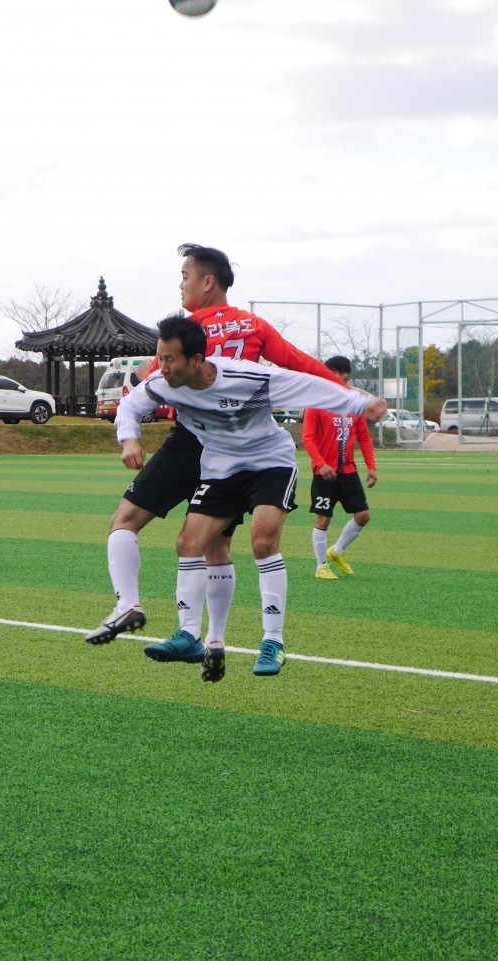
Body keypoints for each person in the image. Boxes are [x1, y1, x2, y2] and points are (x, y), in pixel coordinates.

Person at [85, 243, 360, 656]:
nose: (181, 285)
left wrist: (132, 429)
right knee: (216, 547)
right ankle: (214, 640)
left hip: (191, 441)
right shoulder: (253, 325)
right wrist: (352, 397)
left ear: (207, 282)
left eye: (185, 276)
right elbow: (300, 364)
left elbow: (153, 378)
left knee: (126, 520)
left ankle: (132, 606)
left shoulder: (186, 330)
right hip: (238, 448)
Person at [115, 315, 386, 681]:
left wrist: (358, 402)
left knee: (262, 542)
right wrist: (129, 438)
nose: (161, 367)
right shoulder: (163, 384)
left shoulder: (247, 377)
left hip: (269, 463)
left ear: (197, 360)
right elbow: (130, 406)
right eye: (159, 357)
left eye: (169, 359)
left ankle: (273, 641)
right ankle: (190, 635)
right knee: (189, 543)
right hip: (220, 469)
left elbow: (305, 386)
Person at [302, 356, 377, 579]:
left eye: (338, 372)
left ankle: (337, 551)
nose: (333, 376)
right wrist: (321, 464)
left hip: (349, 473)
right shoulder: (316, 402)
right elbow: (307, 438)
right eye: (330, 372)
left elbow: (364, 438)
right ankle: (321, 567)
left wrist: (371, 466)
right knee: (323, 519)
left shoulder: (355, 404)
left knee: (363, 515)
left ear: (348, 375)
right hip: (325, 474)